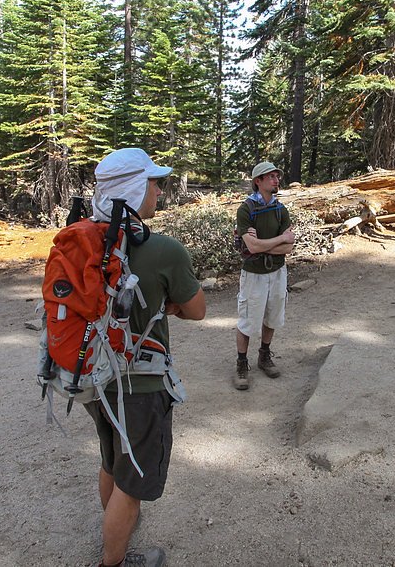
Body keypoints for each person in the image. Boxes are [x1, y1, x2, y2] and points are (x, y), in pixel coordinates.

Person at [85, 148, 206, 567]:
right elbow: (198, 310)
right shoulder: (163, 250)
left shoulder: (82, 240)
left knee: (112, 459)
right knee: (133, 483)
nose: (159, 189)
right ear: (136, 189)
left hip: (93, 376)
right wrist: (168, 304)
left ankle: (117, 524)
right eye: (153, 182)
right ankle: (113, 561)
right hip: (142, 384)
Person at [233, 161, 295, 390]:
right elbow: (253, 247)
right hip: (254, 274)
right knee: (248, 319)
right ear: (257, 181)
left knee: (273, 316)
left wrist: (260, 245)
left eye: (277, 176)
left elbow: (288, 249)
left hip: (278, 272)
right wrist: (280, 240)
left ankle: (264, 356)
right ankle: (241, 363)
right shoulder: (246, 210)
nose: (276, 180)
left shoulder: (281, 210)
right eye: (270, 177)